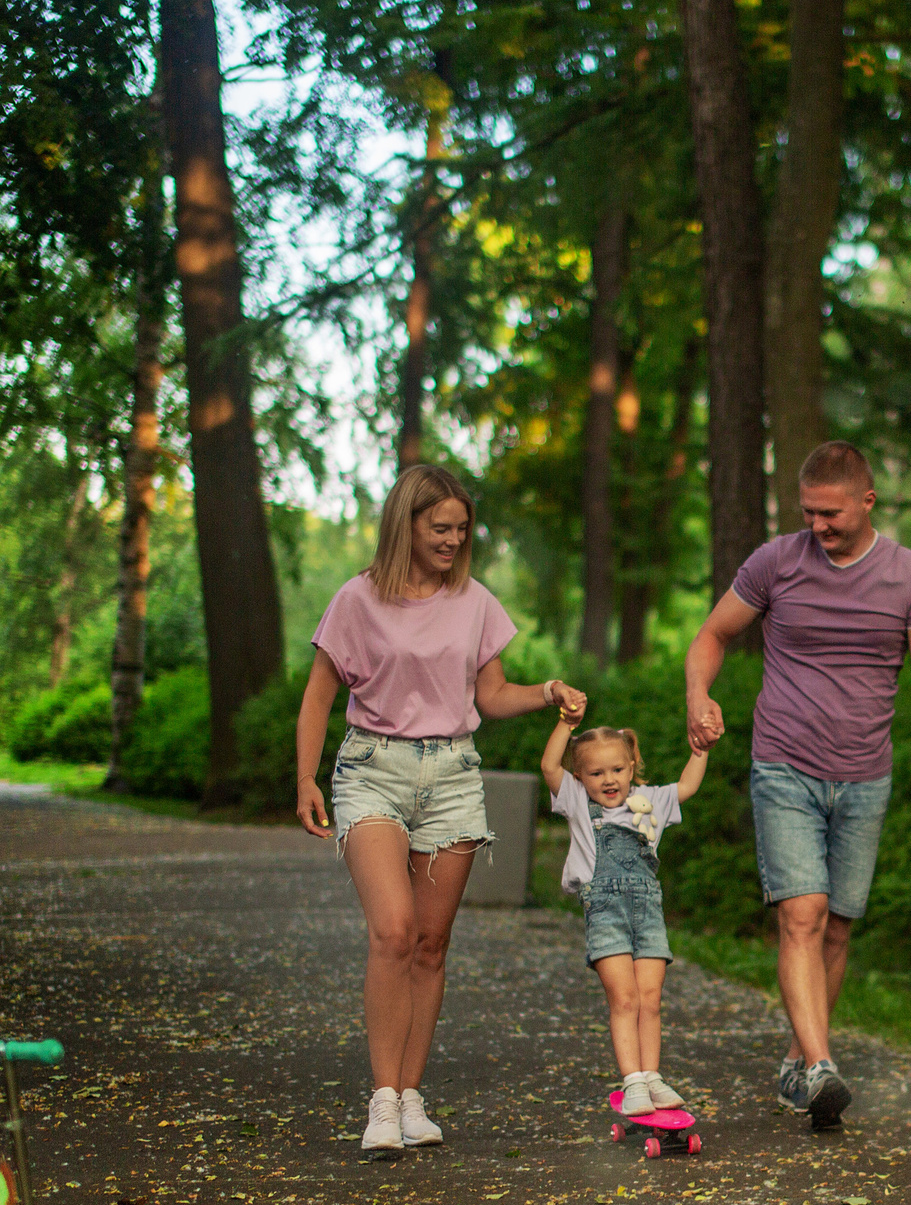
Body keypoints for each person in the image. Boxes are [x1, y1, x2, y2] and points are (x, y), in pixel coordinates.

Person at [295, 464, 578, 1156]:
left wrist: (545, 691)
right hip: (371, 770)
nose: (453, 540)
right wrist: (304, 776)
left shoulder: (475, 599)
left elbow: (491, 695)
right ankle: (382, 1101)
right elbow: (319, 693)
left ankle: (413, 1096)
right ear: (407, 524)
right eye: (439, 527)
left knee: (430, 941)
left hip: (453, 773)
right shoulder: (358, 598)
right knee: (391, 930)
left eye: (461, 528)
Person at [684, 440, 911, 1128]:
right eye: (808, 513)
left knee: (837, 928)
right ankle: (820, 1065)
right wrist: (698, 694)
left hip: (865, 774)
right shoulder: (775, 562)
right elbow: (711, 635)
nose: (818, 527)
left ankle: (798, 1061)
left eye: (831, 513)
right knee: (801, 915)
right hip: (784, 763)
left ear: (869, 500)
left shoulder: (910, 578)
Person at [538, 706, 712, 1116]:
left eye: (617, 769)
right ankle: (632, 1080)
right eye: (596, 773)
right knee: (625, 998)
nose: (608, 780)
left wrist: (702, 748)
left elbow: (686, 785)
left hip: (648, 912)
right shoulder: (577, 803)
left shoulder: (649, 801)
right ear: (580, 777)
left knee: (651, 999)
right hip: (605, 914)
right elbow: (548, 765)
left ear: (631, 766)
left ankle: (652, 1076)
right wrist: (566, 723)